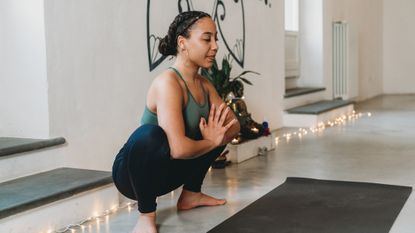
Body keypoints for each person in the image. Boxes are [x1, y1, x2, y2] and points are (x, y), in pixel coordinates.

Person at [112, 11, 241, 233]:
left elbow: (234, 125)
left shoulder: (204, 85)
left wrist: (215, 136)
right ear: (183, 43)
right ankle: (146, 215)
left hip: (167, 174)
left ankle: (191, 195)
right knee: (149, 136)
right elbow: (179, 148)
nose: (216, 46)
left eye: (216, 38)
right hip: (134, 177)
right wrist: (212, 141)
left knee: (218, 127)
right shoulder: (168, 83)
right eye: (207, 38)